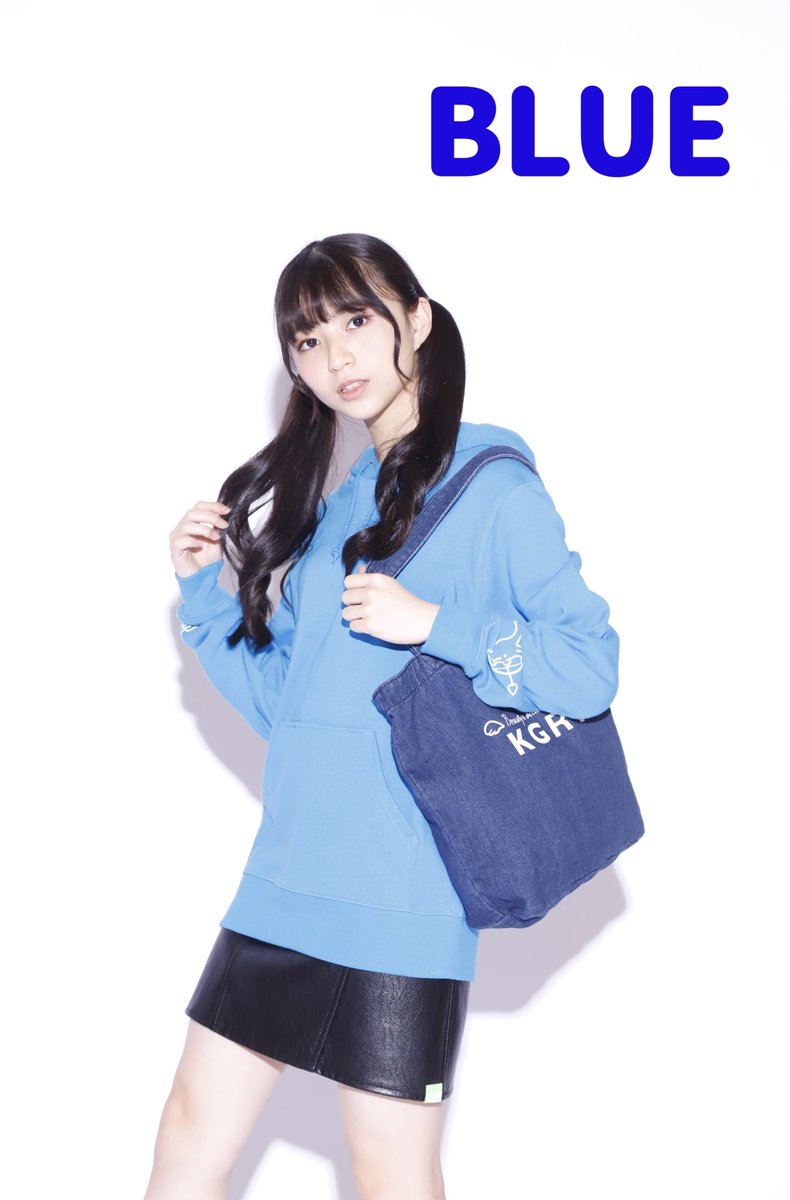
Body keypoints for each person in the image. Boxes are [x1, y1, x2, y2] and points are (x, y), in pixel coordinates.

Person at [145, 232, 620, 1200]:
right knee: (191, 1131)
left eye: (357, 320)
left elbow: (590, 666)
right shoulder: (341, 502)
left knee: (389, 1166)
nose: (336, 357)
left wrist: (437, 624)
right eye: (308, 340)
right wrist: (203, 597)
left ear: (418, 319)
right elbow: (288, 709)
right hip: (286, 875)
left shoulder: (494, 487)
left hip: (406, 895)